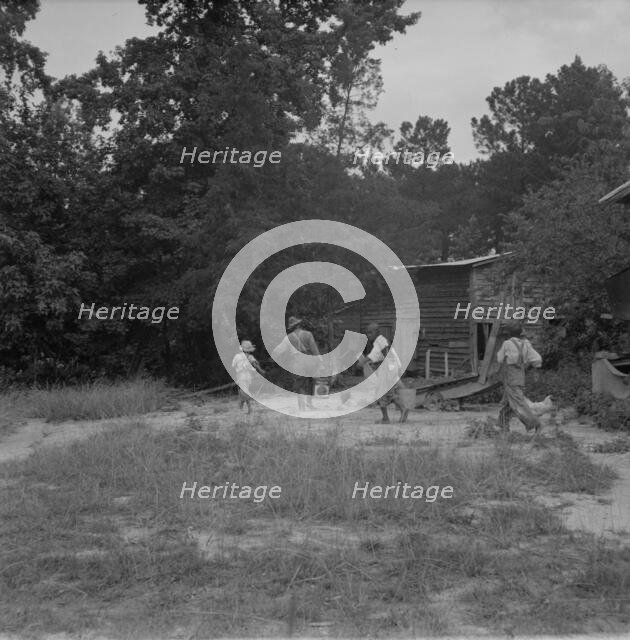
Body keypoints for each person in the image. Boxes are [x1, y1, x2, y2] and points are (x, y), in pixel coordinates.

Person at [496, 321, 542, 432]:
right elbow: (537, 359)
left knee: (518, 404)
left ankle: (535, 423)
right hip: (521, 377)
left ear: (509, 333)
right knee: (507, 403)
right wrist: (536, 368)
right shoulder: (526, 343)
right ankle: (503, 425)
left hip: (510, 378)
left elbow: (499, 359)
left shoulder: (507, 344)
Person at [359, 322, 408, 423]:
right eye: (367, 333)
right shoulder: (381, 341)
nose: (368, 335)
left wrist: (363, 361)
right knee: (388, 394)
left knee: (381, 394)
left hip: (388, 370)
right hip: (388, 370)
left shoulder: (379, 341)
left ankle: (389, 416)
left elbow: (375, 354)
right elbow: (379, 357)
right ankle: (400, 410)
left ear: (376, 332)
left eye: (370, 333)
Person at [274, 316, 321, 411]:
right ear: (299, 325)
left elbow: (277, 352)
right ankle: (309, 403)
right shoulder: (308, 334)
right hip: (309, 361)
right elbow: (315, 350)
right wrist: (320, 362)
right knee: (311, 382)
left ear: (291, 327)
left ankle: (302, 407)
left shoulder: (288, 338)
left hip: (297, 363)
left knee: (300, 384)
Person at [231, 340, 264, 414]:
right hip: (248, 377)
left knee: (243, 391)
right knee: (242, 392)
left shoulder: (237, 356)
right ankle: (241, 407)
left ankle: (249, 408)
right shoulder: (250, 357)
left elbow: (233, 366)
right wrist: (261, 371)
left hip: (240, 376)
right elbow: (256, 365)